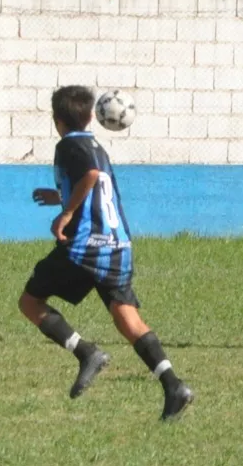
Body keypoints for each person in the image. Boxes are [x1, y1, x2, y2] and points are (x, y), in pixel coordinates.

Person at [18, 85, 194, 420]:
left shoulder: (70, 145)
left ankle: (87, 353)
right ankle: (174, 386)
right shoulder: (96, 145)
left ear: (57, 120)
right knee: (126, 317)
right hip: (119, 245)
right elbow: (99, 185)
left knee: (29, 302)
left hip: (87, 247)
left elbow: (91, 176)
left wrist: (66, 214)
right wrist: (61, 196)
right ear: (91, 117)